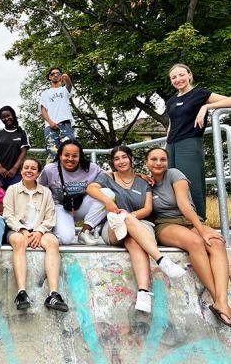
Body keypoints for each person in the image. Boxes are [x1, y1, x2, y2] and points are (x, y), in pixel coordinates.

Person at [86, 146, 186, 313]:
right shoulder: (107, 178)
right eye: (116, 159)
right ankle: (162, 260)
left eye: (124, 157)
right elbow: (90, 188)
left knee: (133, 241)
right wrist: (109, 202)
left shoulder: (143, 182)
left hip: (141, 225)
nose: (121, 161)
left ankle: (144, 293)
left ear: (131, 159)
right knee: (123, 220)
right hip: (113, 228)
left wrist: (128, 216)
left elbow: (147, 209)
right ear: (112, 162)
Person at [146, 147, 231, 327]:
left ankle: (222, 301)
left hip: (190, 219)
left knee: (215, 241)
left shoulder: (175, 174)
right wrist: (139, 176)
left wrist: (202, 229)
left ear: (168, 162)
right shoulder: (145, 182)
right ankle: (219, 300)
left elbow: (184, 205)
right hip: (166, 224)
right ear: (147, 163)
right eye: (154, 159)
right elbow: (114, 174)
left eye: (163, 159)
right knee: (195, 242)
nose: (158, 163)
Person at [166, 63, 231, 220]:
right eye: (173, 77)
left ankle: (198, 219)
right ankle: (176, 219)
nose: (178, 79)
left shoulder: (200, 93)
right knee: (169, 183)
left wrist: (206, 107)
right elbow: (171, 124)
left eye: (181, 75)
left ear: (189, 75)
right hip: (171, 145)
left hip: (189, 142)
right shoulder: (171, 101)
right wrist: (165, 147)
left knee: (190, 182)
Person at [3, 157, 68, 312]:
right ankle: (21, 293)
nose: (29, 171)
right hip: (18, 229)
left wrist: (39, 232)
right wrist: (23, 230)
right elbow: (8, 214)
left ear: (39, 173)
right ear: (21, 170)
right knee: (19, 242)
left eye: (33, 168)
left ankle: (53, 294)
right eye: (26, 167)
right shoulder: (12, 190)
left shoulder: (45, 192)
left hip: (40, 230)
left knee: (53, 243)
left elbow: (50, 216)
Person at [38, 139, 104, 246]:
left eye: (74, 156)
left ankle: (85, 232)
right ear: (60, 155)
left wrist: (136, 176)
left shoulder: (91, 168)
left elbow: (110, 177)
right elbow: (39, 190)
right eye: (66, 155)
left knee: (107, 194)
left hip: (82, 205)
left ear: (80, 156)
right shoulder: (50, 169)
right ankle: (57, 229)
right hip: (60, 207)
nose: (70, 159)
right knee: (66, 239)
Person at [0, 106, 30, 190]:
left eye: (8, 116)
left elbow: (23, 152)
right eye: (3, 117)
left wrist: (14, 168)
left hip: (15, 174)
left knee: (15, 197)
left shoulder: (21, 133)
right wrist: (0, 167)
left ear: (13, 115)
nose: (6, 118)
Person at [39, 67, 75, 161]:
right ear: (49, 77)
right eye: (52, 74)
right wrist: (51, 122)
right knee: (53, 153)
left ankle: (68, 175)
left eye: (58, 73)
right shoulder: (45, 93)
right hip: (50, 126)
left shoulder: (64, 90)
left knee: (69, 151)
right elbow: (43, 109)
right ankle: (53, 174)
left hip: (66, 124)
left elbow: (69, 85)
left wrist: (66, 78)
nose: (55, 75)